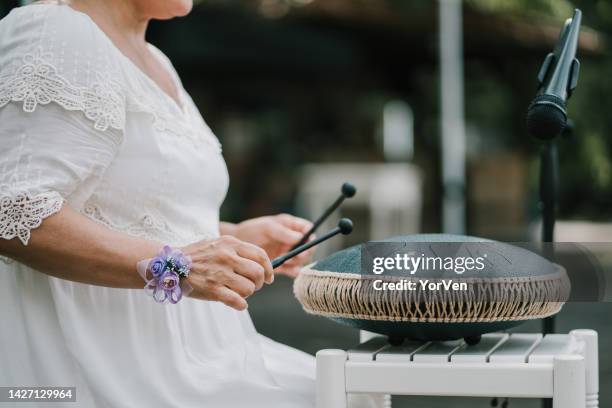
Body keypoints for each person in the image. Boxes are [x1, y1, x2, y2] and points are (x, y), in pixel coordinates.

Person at [0, 1, 320, 406]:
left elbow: (130, 208)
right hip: (106, 366)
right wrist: (177, 268)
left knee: (340, 389)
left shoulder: (157, 61)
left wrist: (231, 235)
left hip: (206, 355)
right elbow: (13, 213)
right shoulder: (54, 32)